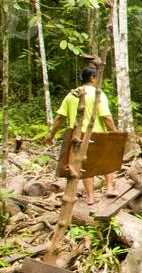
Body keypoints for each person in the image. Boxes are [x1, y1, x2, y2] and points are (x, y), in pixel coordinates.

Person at [44, 67, 119, 205]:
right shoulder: (98, 94)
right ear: (92, 78)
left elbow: (60, 118)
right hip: (96, 134)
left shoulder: (72, 95)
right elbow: (106, 117)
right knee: (108, 159)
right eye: (97, 77)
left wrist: (51, 134)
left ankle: (90, 197)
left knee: (84, 165)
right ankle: (109, 188)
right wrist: (115, 133)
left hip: (76, 137)